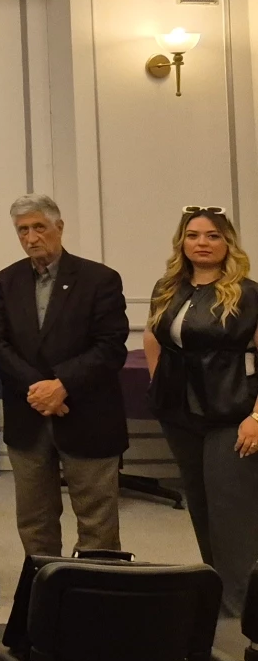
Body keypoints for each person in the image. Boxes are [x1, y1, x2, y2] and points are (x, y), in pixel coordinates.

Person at [0, 194, 128, 558]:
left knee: (97, 522)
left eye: (39, 227)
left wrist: (62, 385)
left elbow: (111, 347)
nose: (31, 237)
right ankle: (44, 587)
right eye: (23, 230)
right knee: (34, 521)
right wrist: (39, 390)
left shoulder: (99, 279)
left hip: (88, 415)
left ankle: (95, 589)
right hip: (28, 417)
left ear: (59, 227)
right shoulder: (6, 281)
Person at [142, 207, 258, 616]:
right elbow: (152, 337)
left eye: (212, 236)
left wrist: (257, 418)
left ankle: (242, 610)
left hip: (231, 415)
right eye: (193, 235)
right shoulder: (167, 287)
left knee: (232, 512)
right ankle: (217, 594)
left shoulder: (248, 293)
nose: (202, 243)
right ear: (182, 242)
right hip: (180, 415)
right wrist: (158, 383)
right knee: (201, 505)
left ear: (227, 243)